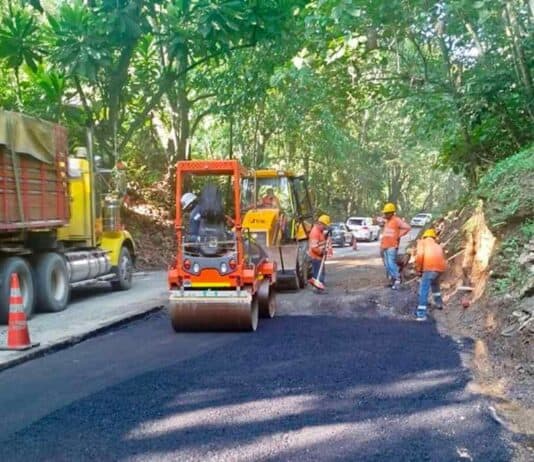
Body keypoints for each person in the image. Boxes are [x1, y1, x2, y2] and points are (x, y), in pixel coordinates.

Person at [414, 228, 447, 321]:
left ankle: (421, 314)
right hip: (439, 269)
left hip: (429, 268)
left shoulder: (422, 242)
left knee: (424, 290)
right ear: (434, 237)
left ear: (424, 236)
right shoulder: (438, 245)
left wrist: (418, 269)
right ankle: (439, 304)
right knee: (435, 286)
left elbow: (420, 256)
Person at [380, 202, 411, 290]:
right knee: (387, 265)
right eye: (384, 213)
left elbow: (407, 227)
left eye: (386, 213)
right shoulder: (387, 221)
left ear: (392, 213)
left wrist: (398, 235)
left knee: (391, 263)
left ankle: (398, 280)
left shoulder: (396, 220)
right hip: (385, 246)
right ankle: (392, 280)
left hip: (392, 246)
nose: (385, 214)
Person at [308, 214, 332, 292]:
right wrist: (322, 252)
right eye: (324, 226)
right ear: (320, 224)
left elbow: (321, 240)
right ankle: (318, 288)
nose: (325, 228)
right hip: (316, 257)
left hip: (319, 257)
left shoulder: (320, 231)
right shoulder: (315, 232)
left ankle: (319, 285)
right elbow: (314, 247)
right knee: (318, 274)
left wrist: (326, 235)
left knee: (321, 272)